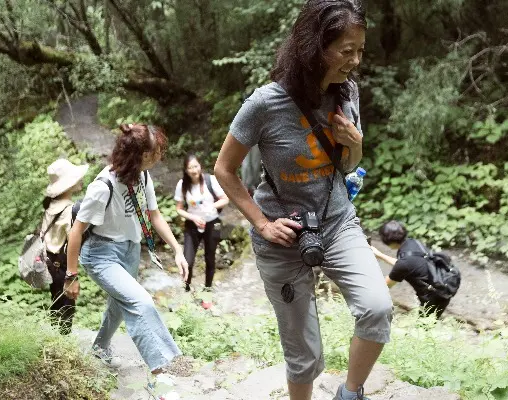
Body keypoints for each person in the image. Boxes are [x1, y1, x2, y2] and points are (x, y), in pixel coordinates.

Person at [214, 2, 392, 400]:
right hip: (282, 236)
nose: (355, 61)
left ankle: (350, 392)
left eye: (360, 50)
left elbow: (347, 167)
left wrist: (357, 146)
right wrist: (261, 223)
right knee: (304, 354)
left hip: (336, 222)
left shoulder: (348, 94)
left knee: (377, 308)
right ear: (315, 46)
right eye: (347, 50)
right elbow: (224, 169)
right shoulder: (264, 103)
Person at [65, 123, 188, 399]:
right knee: (141, 302)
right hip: (101, 255)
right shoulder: (103, 186)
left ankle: (99, 347)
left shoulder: (142, 177)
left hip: (130, 250)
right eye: (156, 151)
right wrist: (71, 275)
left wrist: (178, 249)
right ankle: (162, 376)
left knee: (119, 306)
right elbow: (76, 232)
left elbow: (154, 215)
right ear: (141, 154)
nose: (160, 156)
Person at [174, 153, 229, 305]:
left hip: (211, 223)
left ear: (200, 166)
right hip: (192, 225)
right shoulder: (182, 185)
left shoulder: (210, 180)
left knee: (210, 259)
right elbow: (179, 208)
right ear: (185, 170)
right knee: (188, 261)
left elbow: (225, 199)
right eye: (190, 167)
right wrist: (193, 218)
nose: (194, 170)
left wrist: (210, 207)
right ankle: (186, 291)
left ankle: (207, 294)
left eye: (196, 166)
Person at [42, 158, 88, 335]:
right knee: (67, 306)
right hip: (62, 266)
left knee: (56, 301)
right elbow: (72, 242)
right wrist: (72, 275)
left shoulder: (51, 205)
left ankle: (55, 338)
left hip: (50, 262)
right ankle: (62, 343)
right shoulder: (70, 210)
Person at [371, 220, 451, 318]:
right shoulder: (413, 242)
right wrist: (379, 255)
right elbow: (408, 265)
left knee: (423, 326)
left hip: (435, 297)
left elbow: (384, 287)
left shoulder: (404, 264)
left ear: (386, 241)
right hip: (443, 283)